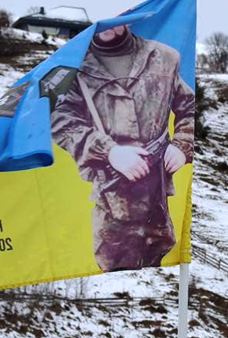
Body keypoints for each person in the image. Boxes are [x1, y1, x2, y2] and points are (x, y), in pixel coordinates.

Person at [50, 22, 196, 271]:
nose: (107, 25)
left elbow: (190, 107)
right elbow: (60, 121)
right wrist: (110, 151)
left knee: (160, 272)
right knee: (115, 274)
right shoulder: (73, 65)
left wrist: (182, 145)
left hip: (158, 195)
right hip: (113, 201)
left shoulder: (163, 57)